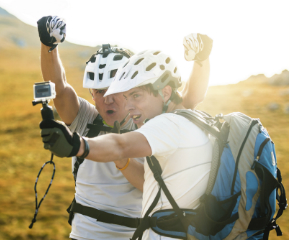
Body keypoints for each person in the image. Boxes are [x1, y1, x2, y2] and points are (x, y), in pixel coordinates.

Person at [37, 15, 212, 240]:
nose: (107, 99)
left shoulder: (148, 121)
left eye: (114, 90)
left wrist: (201, 59)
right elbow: (59, 89)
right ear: (92, 94)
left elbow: (189, 99)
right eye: (99, 92)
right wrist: (48, 44)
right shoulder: (85, 118)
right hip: (84, 235)